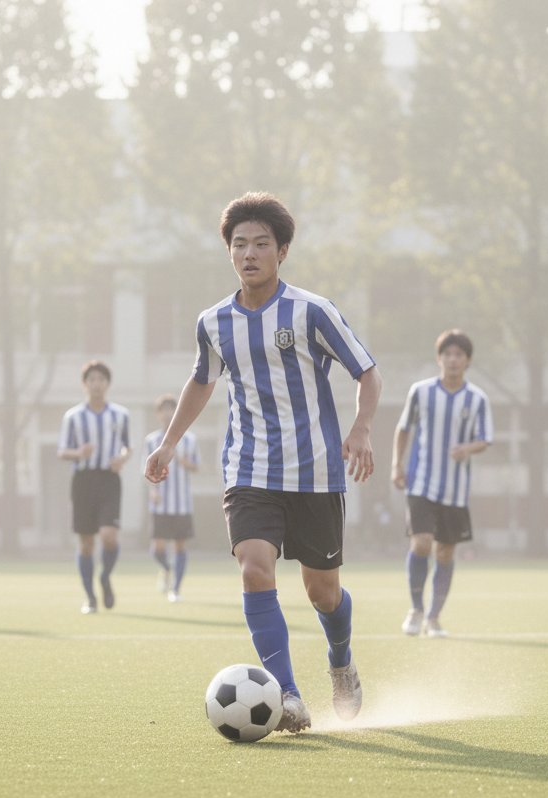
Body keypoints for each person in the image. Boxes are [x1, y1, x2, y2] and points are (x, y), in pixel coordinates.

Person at [145, 191, 381, 733]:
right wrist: (169, 443)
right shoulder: (214, 322)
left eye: (261, 244)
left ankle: (340, 659)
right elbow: (202, 380)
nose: (249, 253)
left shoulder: (311, 311)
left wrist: (361, 428)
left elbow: (366, 371)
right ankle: (288, 697)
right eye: (239, 245)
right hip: (249, 470)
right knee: (254, 569)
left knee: (323, 592)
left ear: (283, 251)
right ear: (229, 253)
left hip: (317, 472)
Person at [391, 329, 492, 638]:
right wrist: (397, 464)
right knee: (421, 543)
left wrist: (467, 449)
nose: (453, 359)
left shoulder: (477, 398)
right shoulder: (421, 391)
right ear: (439, 358)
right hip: (421, 483)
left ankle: (434, 618)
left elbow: (485, 438)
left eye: (459, 355)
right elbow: (404, 428)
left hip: (455, 489)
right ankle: (416, 609)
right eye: (447, 354)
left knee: (445, 553)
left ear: (468, 360)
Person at [58, 360, 131, 614]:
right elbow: (62, 451)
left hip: (109, 480)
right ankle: (90, 598)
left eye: (101, 379)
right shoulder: (73, 416)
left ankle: (105, 577)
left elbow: (127, 446)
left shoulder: (120, 414)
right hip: (83, 480)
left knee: (110, 537)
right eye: (91, 380)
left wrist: (122, 457)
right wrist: (78, 453)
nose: (96, 384)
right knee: (86, 543)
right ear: (84, 384)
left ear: (107, 384)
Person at [143, 394, 201, 603]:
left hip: (182, 502)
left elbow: (197, 466)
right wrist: (153, 490)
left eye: (171, 409)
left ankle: (175, 589)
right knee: (158, 548)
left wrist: (185, 461)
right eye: (163, 410)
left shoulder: (189, 439)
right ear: (158, 414)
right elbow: (147, 469)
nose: (167, 414)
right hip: (160, 503)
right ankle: (167, 569)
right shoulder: (151, 441)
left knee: (180, 546)